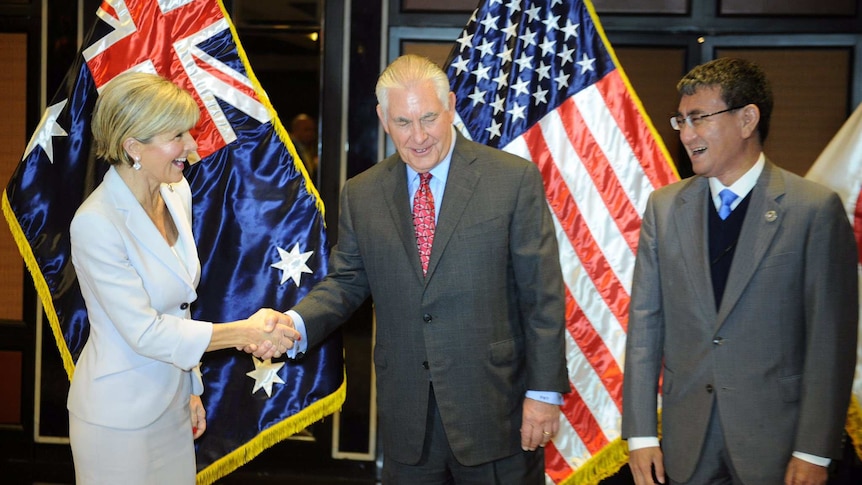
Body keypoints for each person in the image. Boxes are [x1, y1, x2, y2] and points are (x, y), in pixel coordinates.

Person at [284, 54, 568, 483]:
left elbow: (541, 295)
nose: (417, 137)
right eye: (402, 122)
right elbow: (346, 280)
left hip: (496, 411)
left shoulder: (511, 180)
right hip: (407, 419)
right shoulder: (362, 193)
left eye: (429, 118)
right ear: (382, 118)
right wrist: (293, 324)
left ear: (451, 106)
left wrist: (543, 394)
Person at [621, 57, 858, 485]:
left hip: (779, 448)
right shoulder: (665, 206)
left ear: (748, 119)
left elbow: (830, 340)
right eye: (681, 120)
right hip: (685, 443)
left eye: (698, 119)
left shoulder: (813, 209)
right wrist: (639, 436)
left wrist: (814, 451)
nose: (686, 134)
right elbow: (644, 326)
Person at [67, 72, 301, 484]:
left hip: (173, 408)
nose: (193, 147)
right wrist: (242, 332)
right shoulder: (95, 223)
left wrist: (190, 386)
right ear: (133, 146)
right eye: (178, 135)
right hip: (118, 419)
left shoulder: (177, 194)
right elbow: (145, 332)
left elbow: (180, 305)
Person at [289, 113, 319, 180]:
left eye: (313, 130)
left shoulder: (308, 149)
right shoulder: (288, 149)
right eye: (307, 129)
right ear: (296, 129)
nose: (311, 133)